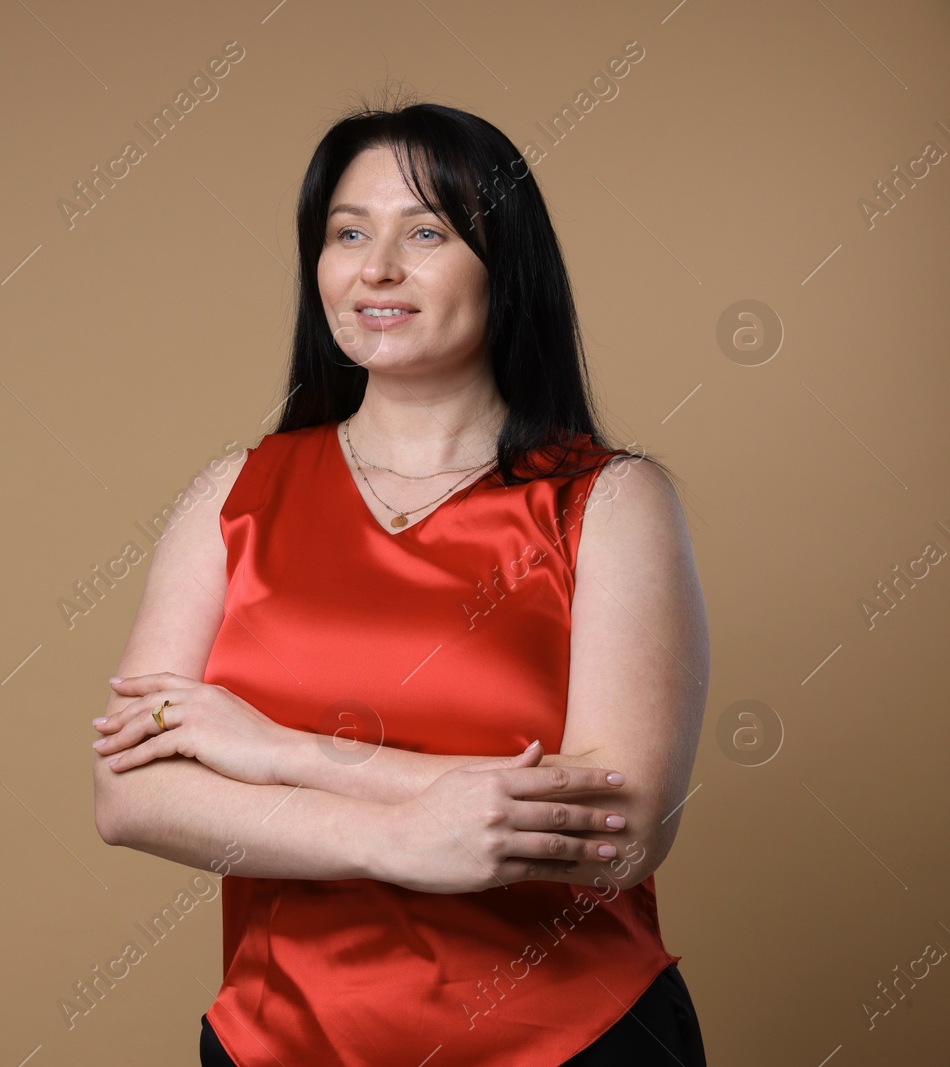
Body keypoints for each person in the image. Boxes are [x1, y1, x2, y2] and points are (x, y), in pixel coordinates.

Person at [90, 100, 709, 1066]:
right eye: (347, 234)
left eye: (425, 232)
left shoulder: (611, 502)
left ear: (506, 265)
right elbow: (130, 796)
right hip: (276, 1043)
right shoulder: (233, 494)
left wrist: (276, 751)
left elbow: (617, 836)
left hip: (572, 1040)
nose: (376, 268)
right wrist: (395, 840)